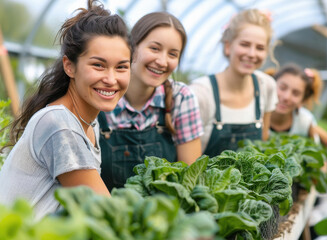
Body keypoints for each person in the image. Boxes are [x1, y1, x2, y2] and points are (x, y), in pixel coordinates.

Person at [0, 0, 132, 219]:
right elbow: (108, 215)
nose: (111, 79)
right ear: (69, 66)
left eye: (121, 67)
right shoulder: (60, 124)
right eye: (98, 65)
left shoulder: (88, 121)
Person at [98, 12, 203, 191]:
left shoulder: (181, 98)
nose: (162, 61)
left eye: (172, 54)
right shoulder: (102, 93)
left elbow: (189, 180)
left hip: (163, 214)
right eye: (154, 48)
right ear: (132, 46)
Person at [190, 9, 277, 157]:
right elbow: (188, 165)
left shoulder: (266, 86)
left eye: (260, 48)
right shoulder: (200, 93)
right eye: (244, 44)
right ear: (228, 46)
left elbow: (263, 142)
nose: (251, 54)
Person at [269, 63, 327, 150]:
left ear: (303, 100)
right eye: (282, 88)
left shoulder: (304, 121)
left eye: (296, 93)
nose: (286, 97)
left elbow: (317, 155)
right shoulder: (255, 115)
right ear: (270, 85)